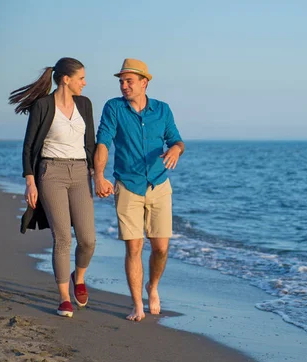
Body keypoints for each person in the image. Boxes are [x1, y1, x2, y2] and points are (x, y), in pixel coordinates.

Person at [94, 58, 184, 322]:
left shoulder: (162, 110)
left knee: (161, 248)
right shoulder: (113, 108)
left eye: (129, 81)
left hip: (159, 183)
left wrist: (176, 149)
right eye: (121, 81)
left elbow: (176, 139)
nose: (124, 85)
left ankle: (152, 287)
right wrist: (98, 176)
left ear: (144, 83)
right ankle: (137, 305)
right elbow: (103, 143)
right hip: (128, 185)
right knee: (134, 248)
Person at [10, 57, 96, 318]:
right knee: (63, 239)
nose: (85, 82)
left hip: (81, 173)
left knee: (88, 240)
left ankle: (78, 277)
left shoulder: (85, 103)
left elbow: (90, 143)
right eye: (81, 78)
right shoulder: (43, 105)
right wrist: (30, 181)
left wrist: (97, 174)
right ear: (66, 79)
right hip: (51, 173)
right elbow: (28, 146)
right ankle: (63, 298)